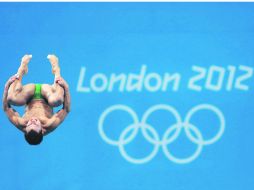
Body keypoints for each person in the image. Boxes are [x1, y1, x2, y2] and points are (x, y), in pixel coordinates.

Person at [2, 54, 71, 145]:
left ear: (25, 129)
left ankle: (22, 69)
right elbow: (66, 109)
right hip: (47, 93)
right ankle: (56, 69)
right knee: (56, 100)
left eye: (30, 124)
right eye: (36, 123)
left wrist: (6, 86)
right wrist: (66, 87)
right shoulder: (50, 124)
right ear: (42, 130)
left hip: (29, 94)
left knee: (11, 98)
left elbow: (6, 108)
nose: (32, 120)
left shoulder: (21, 123)